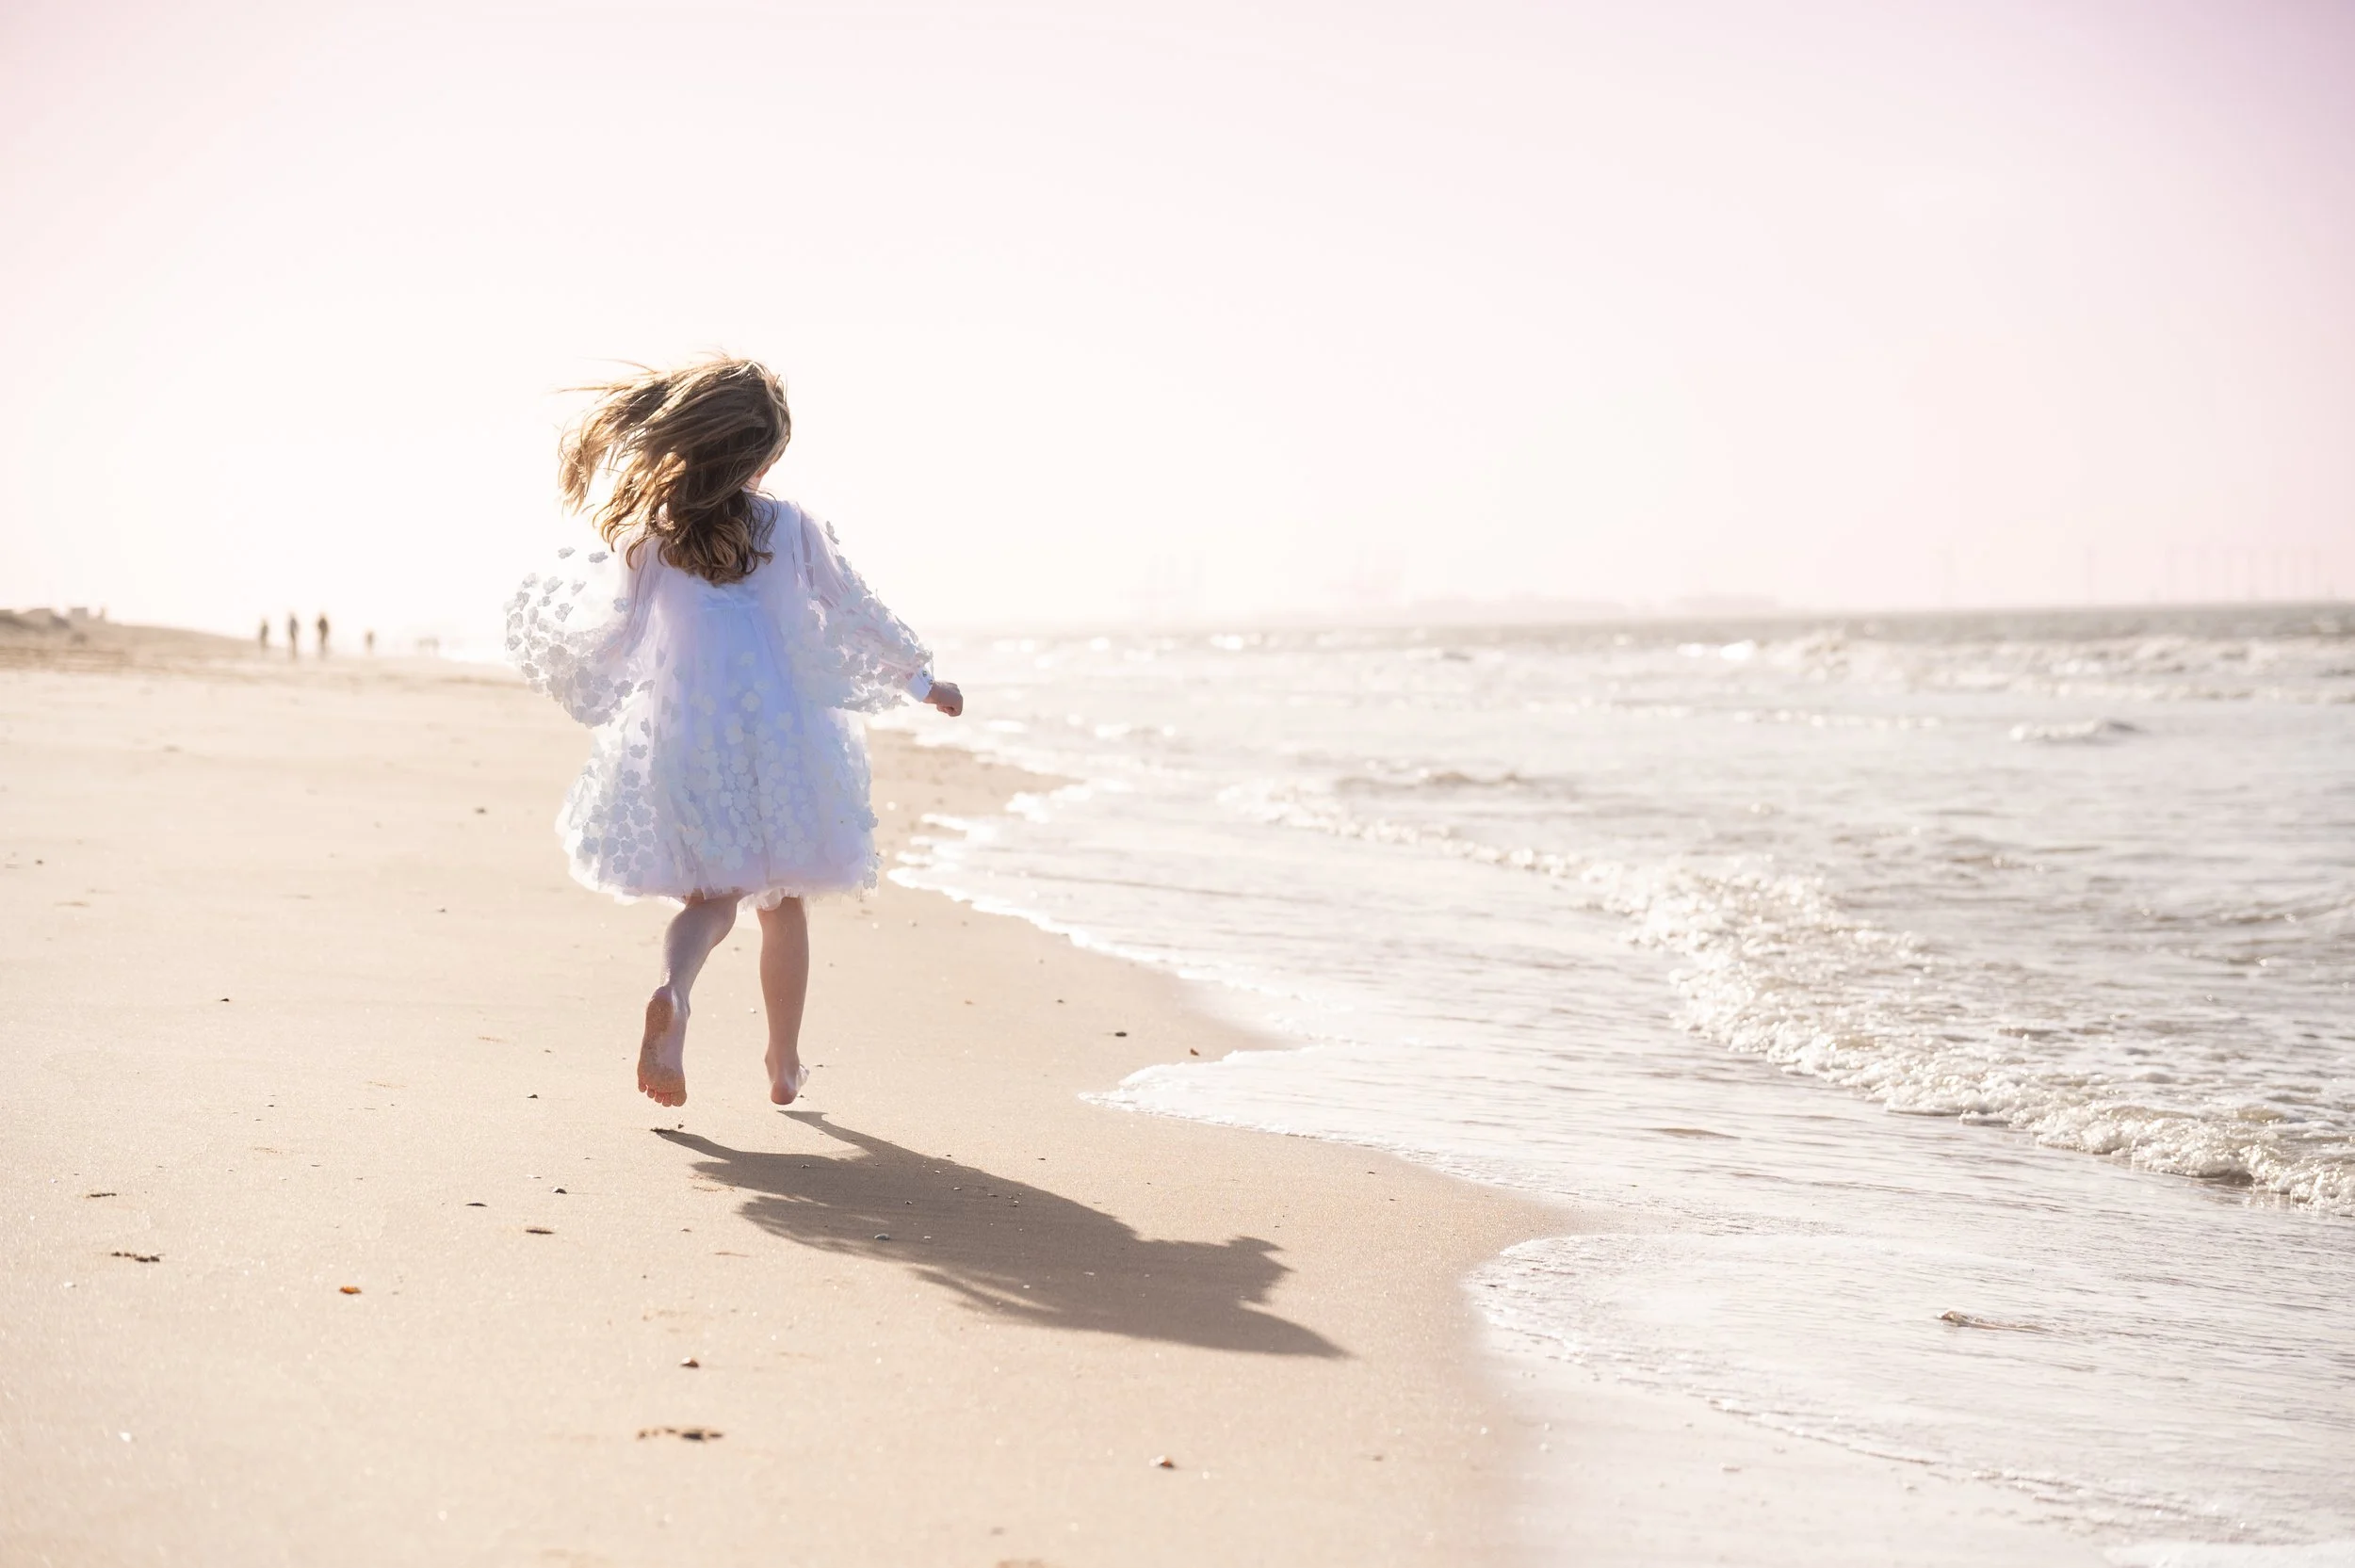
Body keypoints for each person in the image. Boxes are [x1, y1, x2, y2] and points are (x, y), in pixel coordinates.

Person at [506, 357, 962, 1110]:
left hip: (690, 740)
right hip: (784, 742)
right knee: (782, 904)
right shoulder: (791, 526)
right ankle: (783, 1065)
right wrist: (920, 680)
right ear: (763, 453)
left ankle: (674, 992)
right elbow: (852, 612)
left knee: (711, 897)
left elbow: (616, 639)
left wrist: (577, 661)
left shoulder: (654, 540)